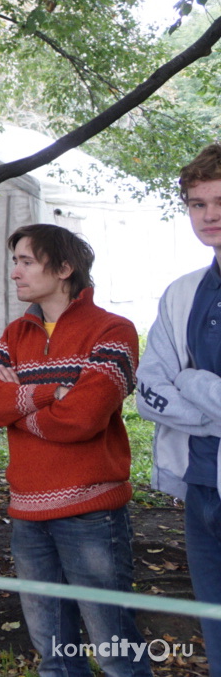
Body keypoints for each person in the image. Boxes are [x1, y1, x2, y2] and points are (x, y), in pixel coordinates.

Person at [0, 223, 150, 677]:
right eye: (15, 261)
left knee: (116, 653)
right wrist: (53, 390)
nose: (15, 272)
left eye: (26, 261)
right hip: (27, 515)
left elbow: (84, 418)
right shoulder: (16, 334)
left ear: (65, 267)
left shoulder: (112, 330)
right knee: (55, 657)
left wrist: (21, 401)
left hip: (91, 515)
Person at [137, 144, 221, 677]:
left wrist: (189, 380)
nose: (210, 216)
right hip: (201, 486)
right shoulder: (182, 293)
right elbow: (148, 389)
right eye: (197, 204)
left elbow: (175, 381)